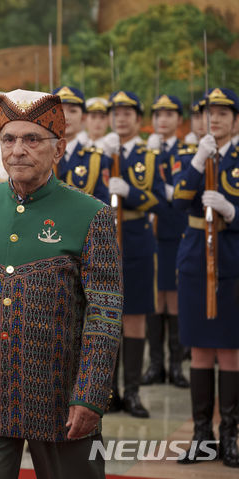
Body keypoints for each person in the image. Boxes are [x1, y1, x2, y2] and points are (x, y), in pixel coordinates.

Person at [0, 89, 122, 479]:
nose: (17, 150)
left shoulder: (92, 216)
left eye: (32, 139)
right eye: (9, 138)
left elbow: (104, 317)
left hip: (60, 401)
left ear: (59, 149)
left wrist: (90, 395)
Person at [173, 87, 239, 469]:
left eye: (223, 114)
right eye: (209, 114)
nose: (215, 120)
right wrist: (198, 161)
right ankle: (202, 436)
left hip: (230, 259)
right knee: (198, 348)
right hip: (197, 258)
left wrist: (232, 210)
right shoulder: (195, 155)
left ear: (234, 119)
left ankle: (230, 434)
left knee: (230, 349)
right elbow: (179, 201)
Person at [105, 90, 166, 418]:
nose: (122, 117)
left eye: (128, 112)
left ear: (139, 119)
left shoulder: (150, 156)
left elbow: (160, 201)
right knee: (107, 316)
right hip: (105, 240)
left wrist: (131, 193)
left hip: (138, 240)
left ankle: (132, 391)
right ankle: (109, 390)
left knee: (135, 318)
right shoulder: (98, 153)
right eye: (116, 111)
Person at [140, 95, 190, 389]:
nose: (163, 119)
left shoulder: (187, 152)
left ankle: (175, 366)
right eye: (158, 114)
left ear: (179, 120)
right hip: (151, 231)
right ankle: (155, 365)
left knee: (174, 298)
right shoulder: (146, 153)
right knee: (154, 298)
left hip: (176, 231)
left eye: (169, 114)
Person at [53, 86, 111, 204]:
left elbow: (102, 208)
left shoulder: (95, 159)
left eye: (73, 111)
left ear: (83, 118)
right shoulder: (38, 154)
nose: (66, 116)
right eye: (60, 110)